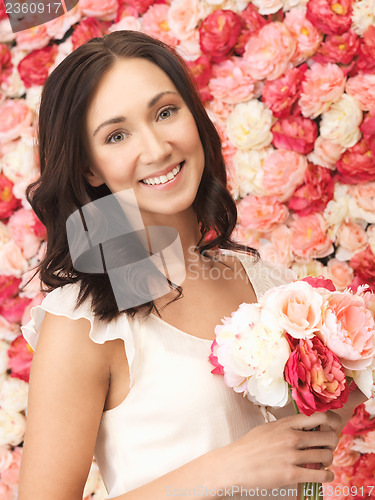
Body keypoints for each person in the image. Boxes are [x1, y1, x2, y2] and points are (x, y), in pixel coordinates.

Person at [18, 30, 365, 500]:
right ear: (89, 168)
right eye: (117, 135)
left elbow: (292, 464)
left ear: (193, 117)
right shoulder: (85, 322)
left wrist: (340, 394)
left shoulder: (268, 285)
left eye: (165, 112)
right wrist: (222, 469)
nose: (157, 148)